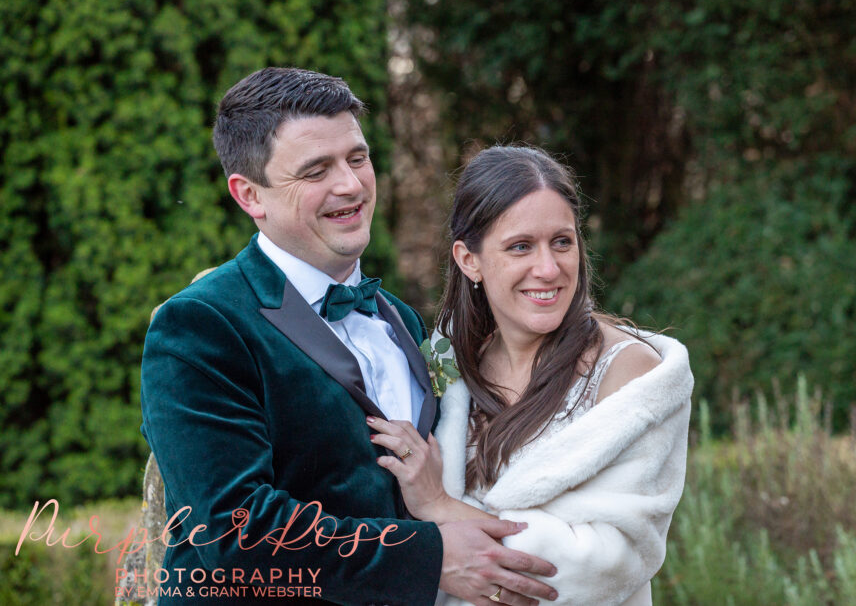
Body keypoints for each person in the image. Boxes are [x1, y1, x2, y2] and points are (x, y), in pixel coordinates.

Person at [140, 69, 559, 605]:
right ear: (250, 196)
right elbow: (234, 531)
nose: (351, 185)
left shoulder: (402, 320)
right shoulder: (201, 324)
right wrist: (428, 556)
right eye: (316, 170)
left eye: (357, 158)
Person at [367, 145, 694, 605]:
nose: (548, 268)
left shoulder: (630, 373)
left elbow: (609, 564)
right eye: (521, 246)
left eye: (562, 242)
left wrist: (440, 506)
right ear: (469, 260)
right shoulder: (449, 367)